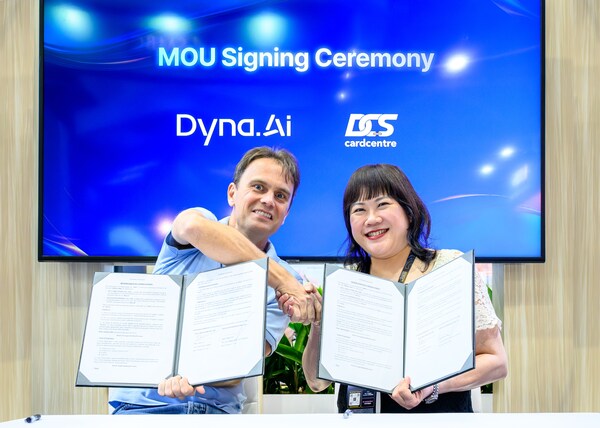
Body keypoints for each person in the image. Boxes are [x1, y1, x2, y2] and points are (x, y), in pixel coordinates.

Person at [110, 146, 320, 415]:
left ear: (287, 212)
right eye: (258, 187)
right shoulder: (199, 230)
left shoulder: (288, 285)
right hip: (143, 405)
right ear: (232, 193)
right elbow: (190, 226)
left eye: (280, 196)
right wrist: (281, 280)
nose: (268, 200)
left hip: (215, 412)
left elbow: (241, 365)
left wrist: (187, 376)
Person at [295, 164, 508, 413]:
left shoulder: (449, 267)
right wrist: (319, 324)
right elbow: (316, 382)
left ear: (409, 212)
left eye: (382, 204)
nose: (371, 219)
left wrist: (433, 387)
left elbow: (496, 363)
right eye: (359, 210)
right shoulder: (345, 281)